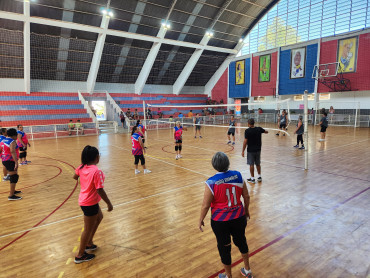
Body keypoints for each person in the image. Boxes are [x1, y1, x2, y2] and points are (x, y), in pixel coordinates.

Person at [199, 152, 253, 278]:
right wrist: (247, 210)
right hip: (239, 217)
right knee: (241, 241)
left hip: (220, 222)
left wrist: (200, 219)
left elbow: (205, 205)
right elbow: (246, 196)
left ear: (214, 165)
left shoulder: (211, 182)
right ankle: (247, 270)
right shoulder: (238, 175)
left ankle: (228, 275)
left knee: (224, 248)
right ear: (228, 163)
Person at [73, 145, 113, 263]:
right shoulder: (97, 171)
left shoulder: (81, 167)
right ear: (96, 157)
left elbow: (75, 176)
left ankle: (89, 242)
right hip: (89, 203)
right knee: (87, 229)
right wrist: (109, 204)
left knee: (99, 217)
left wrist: (85, 179)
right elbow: (99, 190)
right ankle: (80, 255)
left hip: (86, 200)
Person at [242, 118, 268, 184]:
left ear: (248, 123)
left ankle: (252, 178)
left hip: (250, 151)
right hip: (258, 150)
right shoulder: (259, 129)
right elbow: (266, 132)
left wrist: (243, 151)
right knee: (258, 163)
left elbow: (245, 141)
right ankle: (259, 177)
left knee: (251, 164)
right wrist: (265, 131)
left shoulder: (247, 131)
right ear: (254, 123)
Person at [1, 128, 21, 200]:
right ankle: (11, 195)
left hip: (5, 160)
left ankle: (13, 191)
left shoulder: (3, 140)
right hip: (10, 161)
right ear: (14, 135)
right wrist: (16, 162)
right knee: (14, 177)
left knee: (13, 175)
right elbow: (12, 151)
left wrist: (3, 158)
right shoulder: (12, 141)